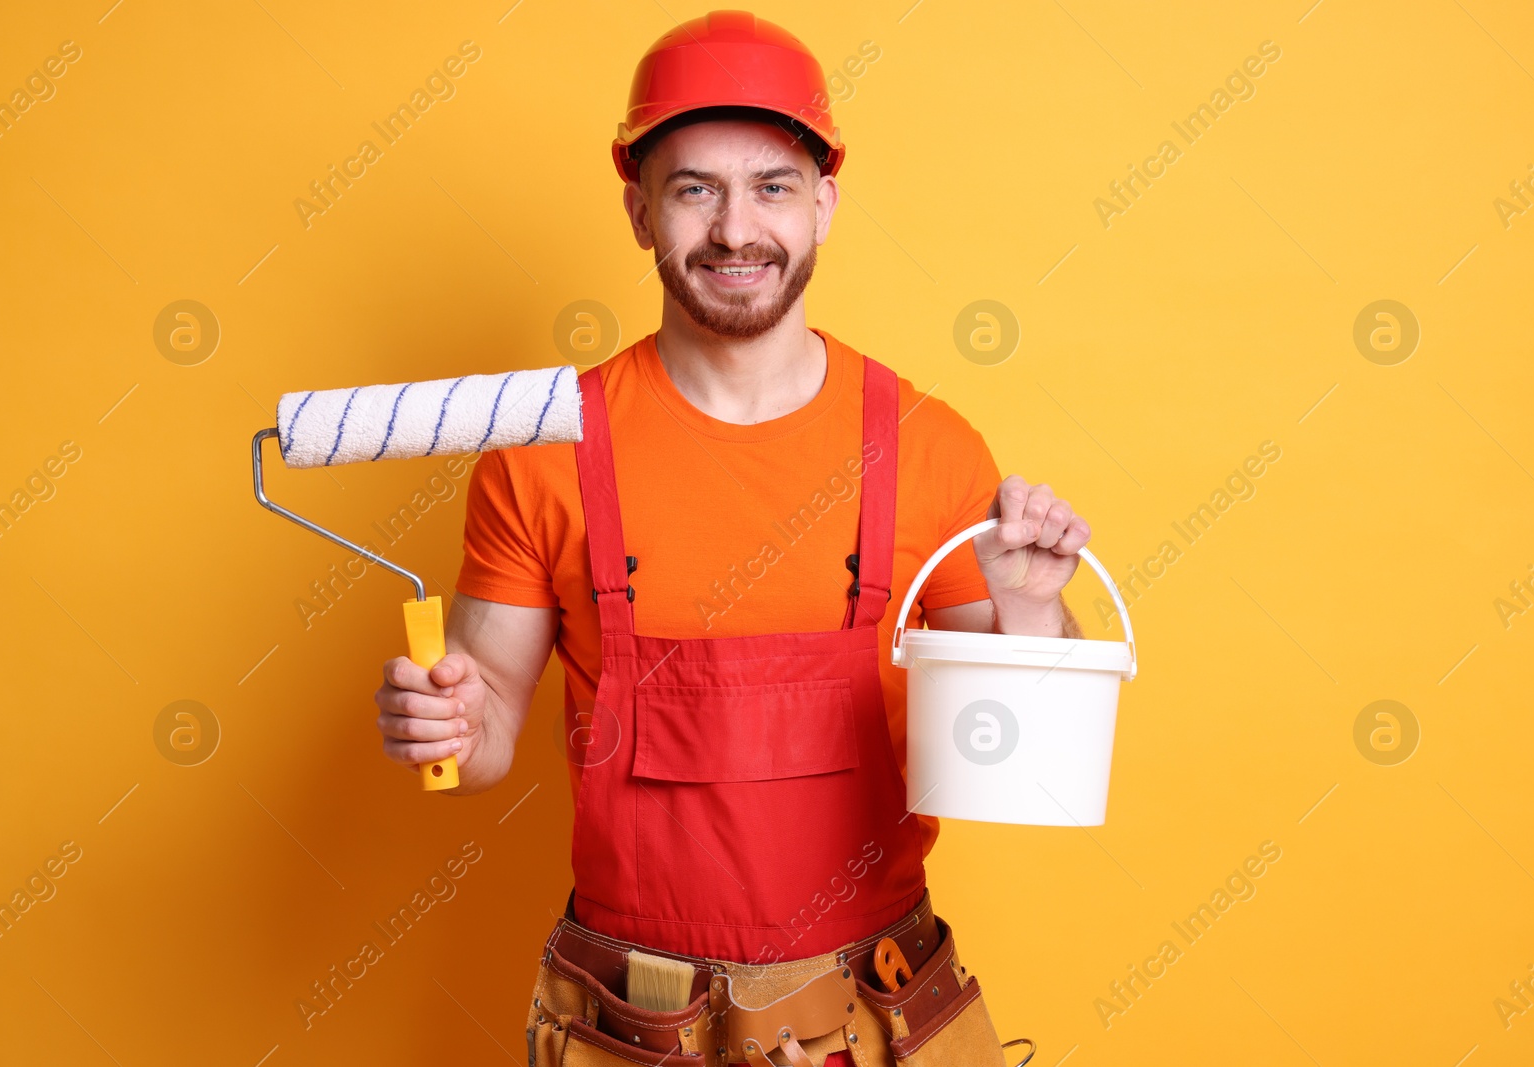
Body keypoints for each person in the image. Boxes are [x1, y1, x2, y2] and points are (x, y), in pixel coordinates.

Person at [374, 11, 1086, 1064]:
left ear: (824, 204)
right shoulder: (540, 454)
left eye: (772, 186)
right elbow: (479, 745)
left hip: (872, 1016)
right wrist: (442, 725)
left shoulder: (930, 448)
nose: (735, 229)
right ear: (638, 210)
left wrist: (1030, 607)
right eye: (694, 188)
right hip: (630, 1024)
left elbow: (1019, 760)